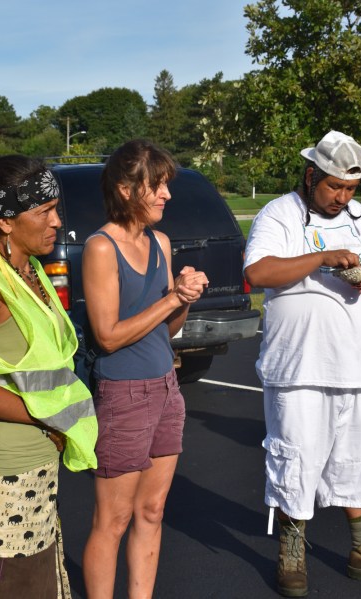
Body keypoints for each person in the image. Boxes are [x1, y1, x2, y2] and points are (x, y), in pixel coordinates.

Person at [244, 130, 361, 596]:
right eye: (334, 187)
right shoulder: (279, 214)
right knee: (295, 456)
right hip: (297, 366)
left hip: (354, 362)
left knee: (359, 457)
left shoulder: (358, 218)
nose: (342, 198)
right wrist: (323, 256)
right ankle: (291, 553)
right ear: (311, 176)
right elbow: (258, 272)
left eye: (350, 189)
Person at [0, 155, 98, 598]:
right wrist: (46, 421)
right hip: (1, 484)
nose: (57, 222)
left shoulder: (30, 272)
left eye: (56, 209)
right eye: (44, 211)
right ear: (6, 222)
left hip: (37, 476)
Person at [81, 139, 208, 599]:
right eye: (157, 186)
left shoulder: (160, 242)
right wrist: (173, 298)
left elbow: (168, 329)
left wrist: (184, 298)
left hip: (167, 388)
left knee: (152, 511)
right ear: (126, 189)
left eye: (166, 185)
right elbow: (108, 336)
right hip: (124, 394)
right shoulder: (100, 247)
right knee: (113, 520)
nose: (166, 195)